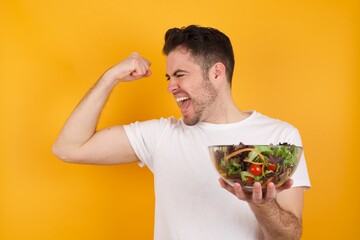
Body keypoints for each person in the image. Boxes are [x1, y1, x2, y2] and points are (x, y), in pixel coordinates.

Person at [52, 25, 311, 239]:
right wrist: (111, 76)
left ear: (217, 73)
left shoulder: (279, 138)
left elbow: (289, 236)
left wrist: (261, 203)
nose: (171, 87)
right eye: (168, 78)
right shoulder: (160, 136)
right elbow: (68, 148)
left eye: (180, 75)